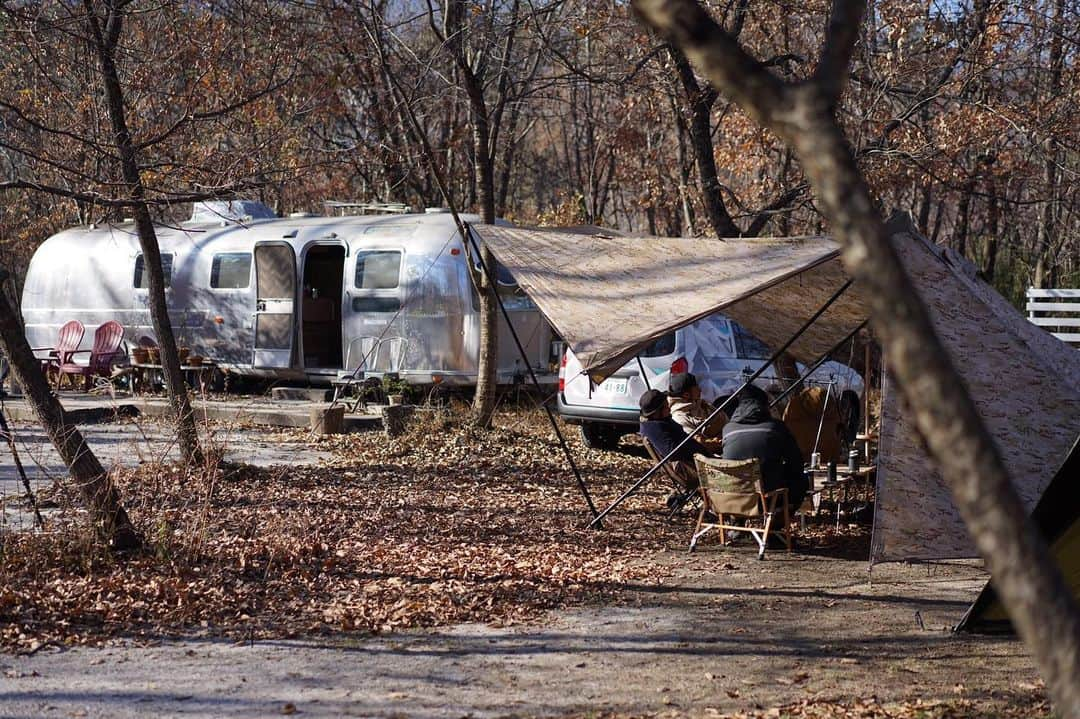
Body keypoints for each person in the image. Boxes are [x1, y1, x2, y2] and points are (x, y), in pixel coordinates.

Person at [722, 384, 808, 511]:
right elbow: (796, 462)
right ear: (764, 406)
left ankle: (737, 524)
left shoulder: (728, 429)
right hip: (767, 498)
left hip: (731, 497)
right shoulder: (775, 428)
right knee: (801, 480)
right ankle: (775, 526)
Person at [638, 388, 711, 466]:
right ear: (657, 412)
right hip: (692, 465)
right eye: (666, 406)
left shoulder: (662, 420)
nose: (669, 408)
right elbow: (673, 453)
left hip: (700, 456)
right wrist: (697, 450)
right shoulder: (653, 428)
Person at [667, 372, 725, 452]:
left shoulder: (698, 403)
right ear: (686, 395)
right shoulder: (680, 417)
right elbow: (702, 443)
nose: (700, 390)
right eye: (696, 387)